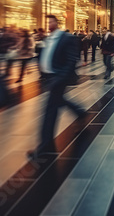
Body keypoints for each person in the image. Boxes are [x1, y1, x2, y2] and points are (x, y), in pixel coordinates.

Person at [28, 15, 85, 159]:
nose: (48, 24)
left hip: (58, 79)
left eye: (50, 21)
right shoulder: (48, 38)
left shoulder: (67, 38)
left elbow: (71, 60)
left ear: (57, 23)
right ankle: (79, 112)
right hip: (49, 78)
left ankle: (44, 147)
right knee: (59, 102)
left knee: (49, 111)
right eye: (47, 22)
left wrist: (60, 78)